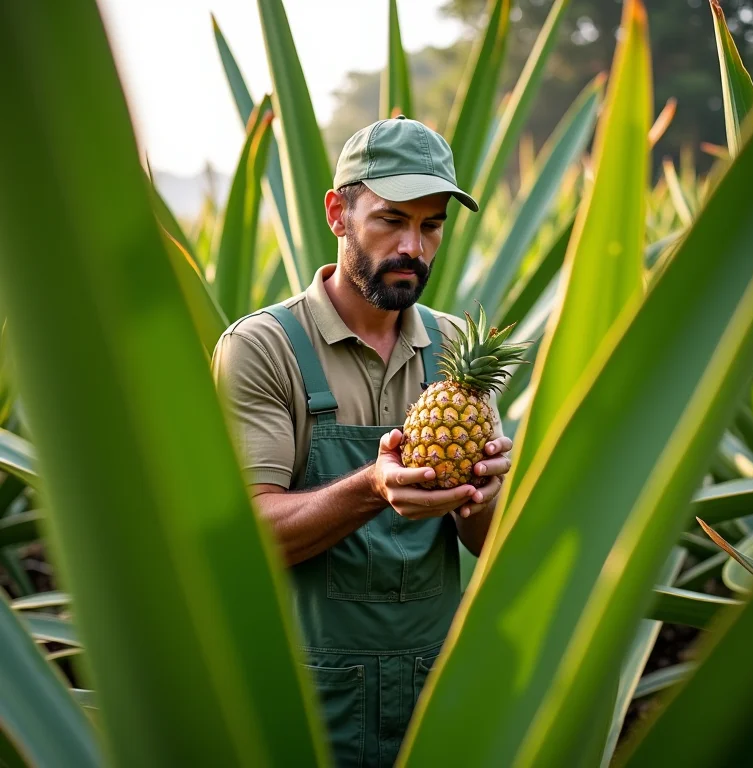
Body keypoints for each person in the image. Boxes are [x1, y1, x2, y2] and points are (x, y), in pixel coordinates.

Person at [211, 115, 513, 768]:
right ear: (338, 213)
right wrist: (374, 486)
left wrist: (485, 495)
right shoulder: (263, 347)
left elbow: (490, 545)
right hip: (304, 697)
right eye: (391, 219)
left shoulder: (460, 350)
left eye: (431, 225)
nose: (414, 246)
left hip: (438, 691)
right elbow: (249, 535)